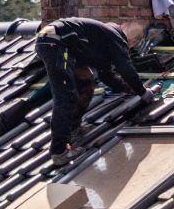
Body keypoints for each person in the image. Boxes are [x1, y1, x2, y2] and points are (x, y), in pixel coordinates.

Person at [36, 17, 154, 166]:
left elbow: (107, 76)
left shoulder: (101, 38)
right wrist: (143, 92)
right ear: (132, 42)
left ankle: (73, 128)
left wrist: (131, 90)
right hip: (56, 42)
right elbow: (125, 68)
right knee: (65, 95)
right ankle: (59, 152)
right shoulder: (116, 37)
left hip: (55, 41)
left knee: (86, 82)